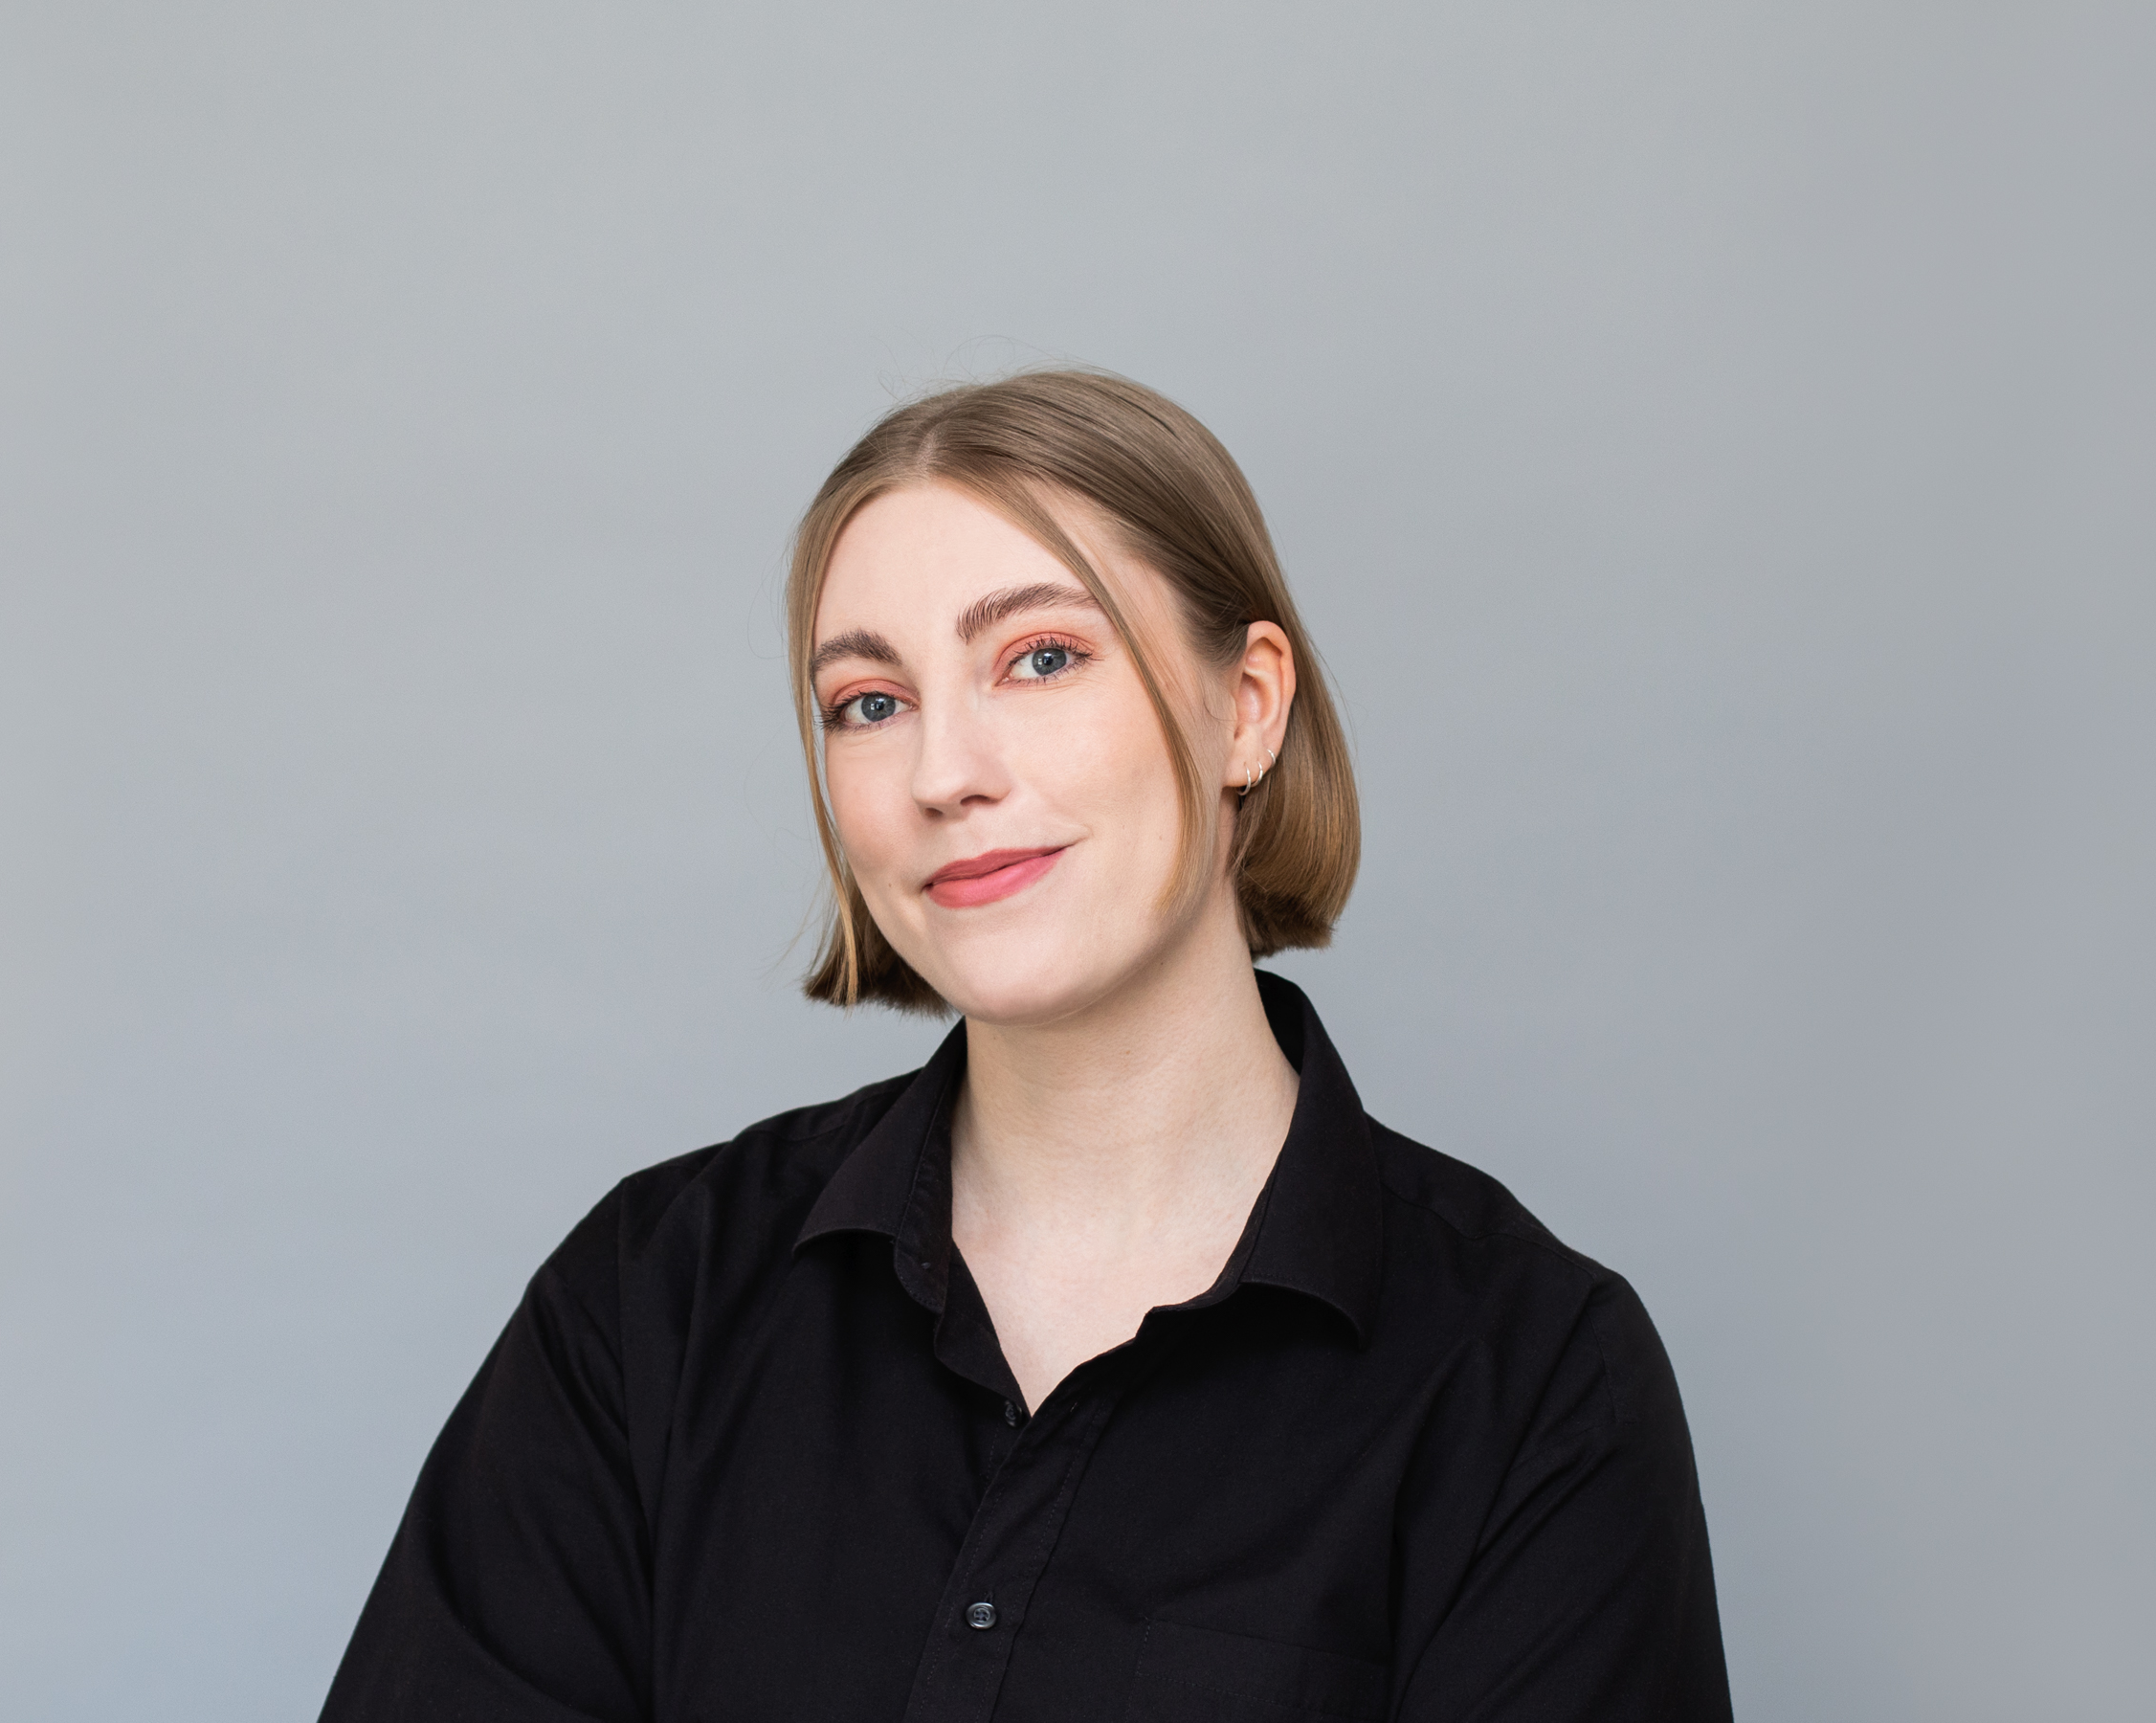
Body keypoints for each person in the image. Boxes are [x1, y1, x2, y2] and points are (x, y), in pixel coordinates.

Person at [321, 370, 1732, 1721]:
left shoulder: (1534, 1382)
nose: (944, 773)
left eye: (1042, 658)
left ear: (1246, 707)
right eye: (870, 704)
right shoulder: (652, 1303)